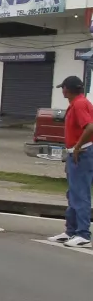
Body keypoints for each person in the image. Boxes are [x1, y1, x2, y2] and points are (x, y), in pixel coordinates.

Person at [49, 76, 93, 248]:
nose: (62, 91)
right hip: (77, 153)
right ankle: (70, 230)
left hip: (82, 153)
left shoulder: (79, 104)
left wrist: (77, 147)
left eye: (63, 88)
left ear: (67, 89)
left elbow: (90, 126)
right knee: (73, 193)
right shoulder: (79, 103)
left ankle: (83, 233)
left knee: (80, 193)